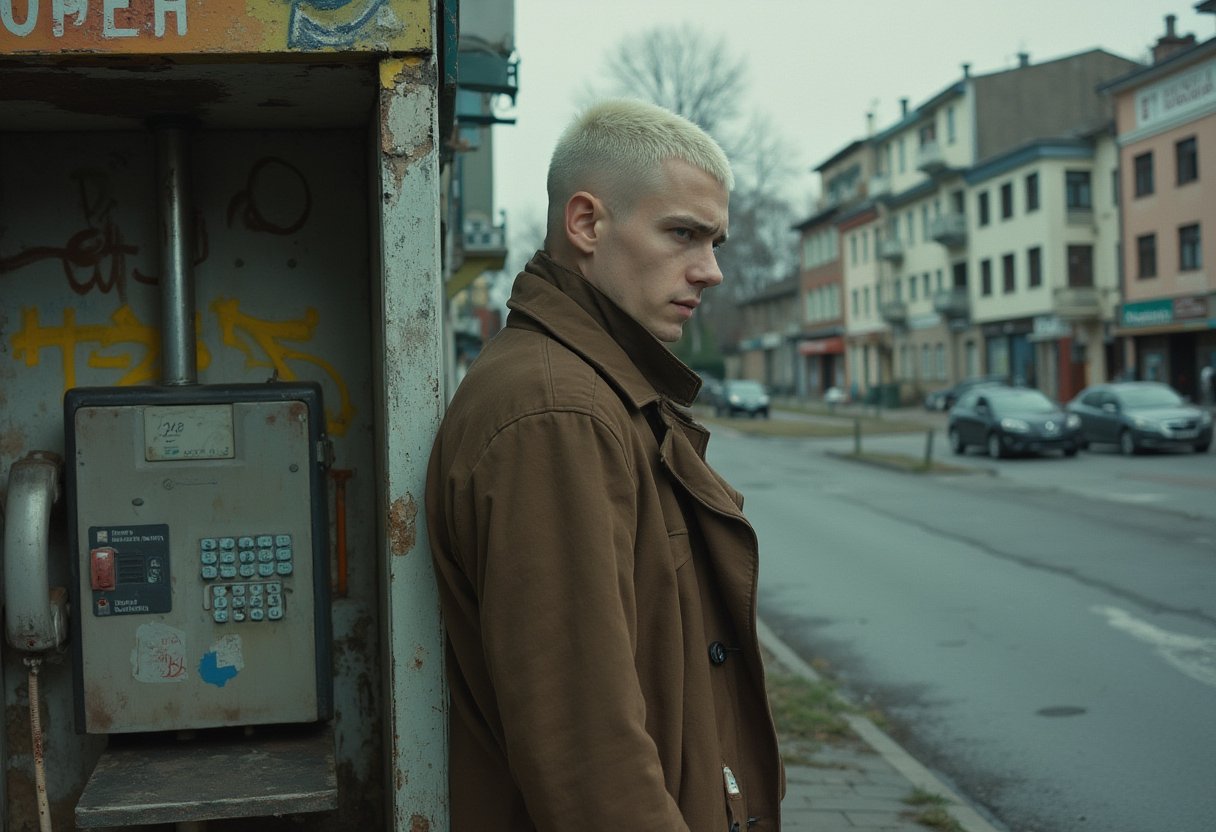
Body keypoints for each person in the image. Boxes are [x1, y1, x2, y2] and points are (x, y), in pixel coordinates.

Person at [426, 99, 783, 831]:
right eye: (682, 234)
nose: (710, 271)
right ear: (586, 224)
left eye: (714, 241)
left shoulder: (595, 392)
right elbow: (588, 754)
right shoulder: (559, 414)